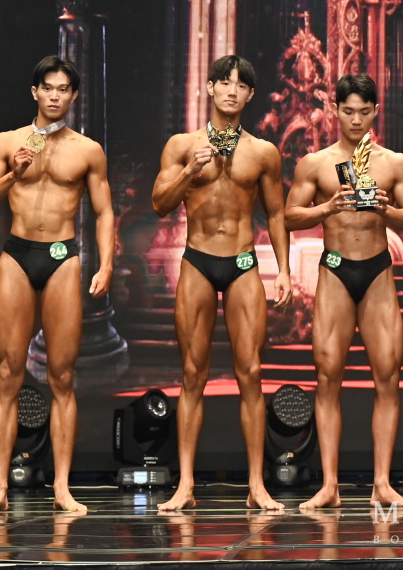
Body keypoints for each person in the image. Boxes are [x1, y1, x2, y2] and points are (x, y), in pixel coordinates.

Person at [0, 56, 114, 515]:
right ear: (35, 92)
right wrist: (13, 173)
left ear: (74, 95)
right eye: (47, 87)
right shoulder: (7, 141)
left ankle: (63, 488)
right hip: (17, 255)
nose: (54, 95)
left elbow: (104, 211)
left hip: (62, 257)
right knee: (8, 372)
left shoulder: (87, 150)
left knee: (62, 376)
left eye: (63, 89)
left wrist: (106, 265)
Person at [150, 55, 290, 512]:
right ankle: (186, 485)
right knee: (193, 373)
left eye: (240, 85)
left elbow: (276, 213)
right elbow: (159, 204)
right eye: (224, 82)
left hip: (244, 262)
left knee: (252, 373)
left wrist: (284, 269)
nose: (232, 90)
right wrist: (189, 171)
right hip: (197, 260)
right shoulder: (182, 145)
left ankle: (256, 485)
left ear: (250, 95)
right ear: (210, 88)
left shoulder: (263, 152)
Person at [284, 74, 403, 510]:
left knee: (389, 376)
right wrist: (327, 207)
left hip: (377, 271)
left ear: (376, 111)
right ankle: (329, 485)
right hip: (336, 271)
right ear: (335, 111)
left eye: (364, 111)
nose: (356, 119)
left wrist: (387, 208)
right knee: (327, 377)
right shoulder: (316, 163)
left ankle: (382, 484)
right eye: (348, 111)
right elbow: (290, 216)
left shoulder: (395, 163)